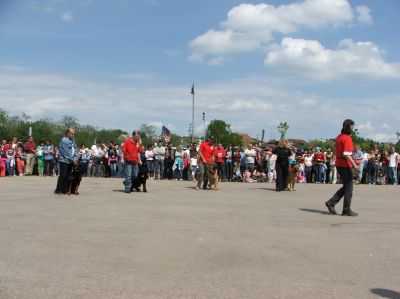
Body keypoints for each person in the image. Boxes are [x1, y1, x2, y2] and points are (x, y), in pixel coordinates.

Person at [325, 119, 358, 216]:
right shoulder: (347, 138)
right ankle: (346, 209)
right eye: (352, 126)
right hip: (345, 164)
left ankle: (332, 202)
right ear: (348, 127)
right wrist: (354, 164)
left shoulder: (339, 137)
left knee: (347, 186)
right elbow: (347, 154)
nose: (353, 128)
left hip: (339, 163)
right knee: (349, 188)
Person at [55, 128, 78, 194]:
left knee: (68, 176)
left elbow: (75, 149)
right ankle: (58, 189)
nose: (73, 135)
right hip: (64, 160)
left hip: (71, 161)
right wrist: (73, 160)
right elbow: (66, 152)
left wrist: (75, 158)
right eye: (72, 134)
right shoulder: (64, 140)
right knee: (63, 175)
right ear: (68, 133)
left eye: (74, 134)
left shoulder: (72, 140)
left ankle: (64, 189)